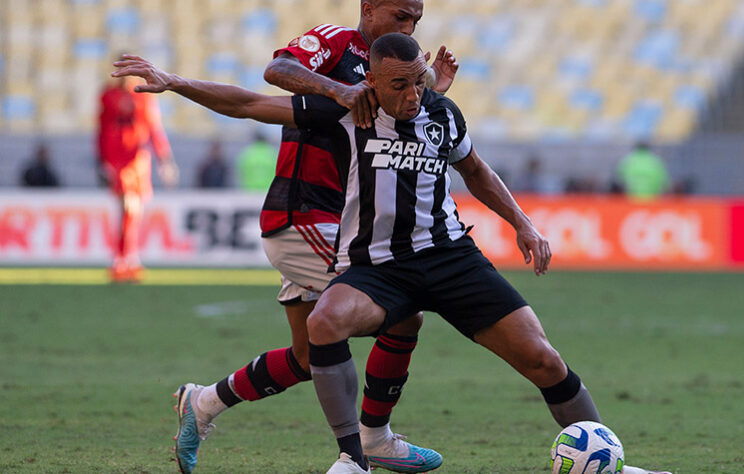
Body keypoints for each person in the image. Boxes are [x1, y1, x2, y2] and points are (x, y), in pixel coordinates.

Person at [113, 34, 668, 474]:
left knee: (544, 359)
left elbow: (475, 170)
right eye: (398, 86)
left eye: (417, 83)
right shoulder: (346, 110)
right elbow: (252, 102)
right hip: (380, 266)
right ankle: (356, 457)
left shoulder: (443, 113)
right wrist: (175, 82)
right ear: (371, 81)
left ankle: (609, 465)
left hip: (451, 257)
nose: (411, 96)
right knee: (326, 322)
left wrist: (522, 223)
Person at [118, 2, 457, 473]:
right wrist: (175, 81)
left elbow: (407, 126)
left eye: (416, 20)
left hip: (339, 222)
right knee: (403, 312)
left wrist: (431, 88)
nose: (409, 27)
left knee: (305, 357)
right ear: (369, 7)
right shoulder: (338, 46)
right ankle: (371, 443)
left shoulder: (393, 69)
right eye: (401, 15)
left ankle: (202, 404)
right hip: (305, 218)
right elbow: (268, 81)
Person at [97, 73, 178, 282]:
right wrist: (101, 161)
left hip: (138, 158)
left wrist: (165, 159)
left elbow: (153, 127)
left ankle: (126, 259)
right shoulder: (108, 95)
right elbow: (102, 128)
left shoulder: (143, 94)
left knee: (134, 211)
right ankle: (123, 259)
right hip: (117, 158)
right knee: (128, 206)